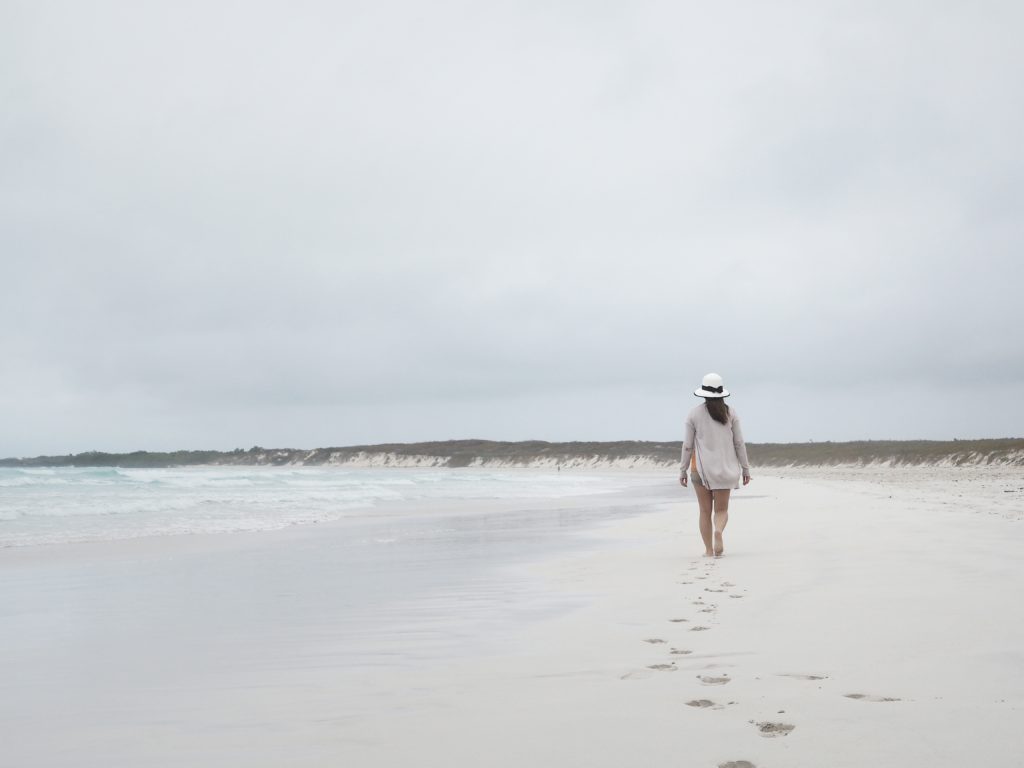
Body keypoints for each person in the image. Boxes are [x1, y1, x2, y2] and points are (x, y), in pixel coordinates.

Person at [679, 373, 751, 557]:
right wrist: (745, 468)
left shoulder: (693, 414)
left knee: (704, 511)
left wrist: (683, 470)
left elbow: (687, 445)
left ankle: (709, 550)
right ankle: (718, 530)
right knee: (721, 510)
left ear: (703, 393)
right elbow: (739, 442)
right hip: (725, 470)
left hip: (699, 470)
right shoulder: (731, 412)